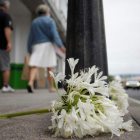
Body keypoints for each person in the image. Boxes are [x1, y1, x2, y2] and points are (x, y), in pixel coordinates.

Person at [27, 4, 66, 93]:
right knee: (50, 66)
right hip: (48, 45)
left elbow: (30, 36)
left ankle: (30, 82)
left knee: (34, 65)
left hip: (36, 45)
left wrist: (29, 48)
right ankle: (51, 87)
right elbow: (55, 35)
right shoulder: (50, 21)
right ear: (46, 12)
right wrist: (61, 46)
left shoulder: (34, 22)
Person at [0, 0, 14, 93]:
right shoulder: (5, 16)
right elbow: (7, 29)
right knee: (5, 65)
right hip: (2, 44)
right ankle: (5, 85)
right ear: (6, 7)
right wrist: (9, 42)